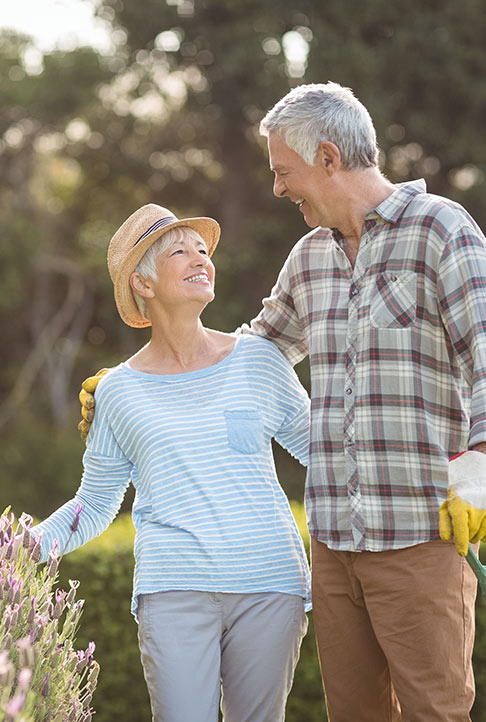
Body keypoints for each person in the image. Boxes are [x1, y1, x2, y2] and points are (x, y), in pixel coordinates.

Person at [245, 81, 486, 721]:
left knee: (436, 713)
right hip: (333, 544)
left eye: (283, 172)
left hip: (420, 539)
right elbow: (256, 354)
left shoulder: (440, 231)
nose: (278, 189)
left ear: (328, 158)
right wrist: (142, 371)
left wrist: (481, 481)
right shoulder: (308, 259)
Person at [27, 204, 312, 722]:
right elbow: (94, 504)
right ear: (143, 283)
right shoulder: (117, 391)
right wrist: (23, 550)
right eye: (178, 251)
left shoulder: (259, 359)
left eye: (202, 249)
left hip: (270, 584)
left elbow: (327, 453)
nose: (199, 257)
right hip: (173, 589)